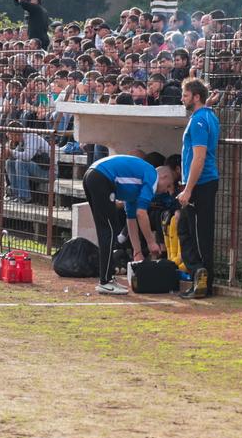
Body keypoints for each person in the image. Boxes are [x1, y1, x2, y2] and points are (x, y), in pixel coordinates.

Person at [83, 150, 170, 294]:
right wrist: (151, 243)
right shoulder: (152, 177)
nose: (166, 191)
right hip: (101, 177)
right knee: (109, 231)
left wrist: (137, 251)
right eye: (168, 186)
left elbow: (131, 219)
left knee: (108, 229)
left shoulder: (136, 187)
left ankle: (107, 278)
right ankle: (105, 281)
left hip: (93, 174)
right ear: (164, 176)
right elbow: (141, 213)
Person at [176, 78, 220, 299]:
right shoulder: (208, 115)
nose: (182, 98)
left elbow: (199, 157)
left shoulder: (198, 121)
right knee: (184, 228)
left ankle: (203, 281)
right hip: (203, 183)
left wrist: (188, 189)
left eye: (185, 95)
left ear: (195, 97)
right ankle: (199, 276)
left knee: (198, 234)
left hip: (200, 184)